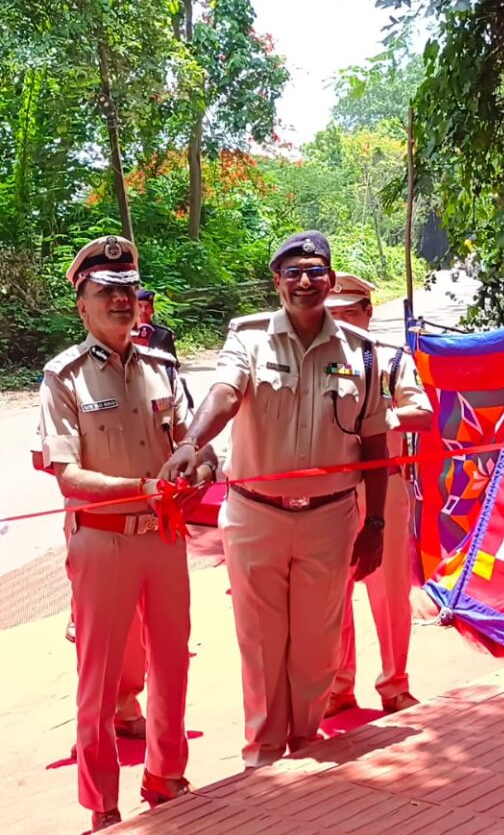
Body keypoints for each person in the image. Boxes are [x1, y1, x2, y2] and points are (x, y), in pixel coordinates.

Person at [159, 230, 392, 768]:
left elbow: (375, 441)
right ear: (277, 282)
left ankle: (305, 742)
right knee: (261, 643)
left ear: (330, 280)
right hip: (256, 515)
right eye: (293, 273)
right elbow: (224, 393)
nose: (305, 282)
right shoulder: (249, 338)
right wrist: (191, 442)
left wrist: (376, 523)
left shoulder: (361, 352)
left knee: (317, 644)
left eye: (315, 272)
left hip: (330, 519)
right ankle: (263, 756)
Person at [37, 235, 211, 832]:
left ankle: (167, 774)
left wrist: (198, 473)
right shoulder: (63, 377)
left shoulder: (163, 368)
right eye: (106, 291)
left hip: (163, 536)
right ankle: (101, 801)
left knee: (173, 661)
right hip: (102, 539)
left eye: (128, 290)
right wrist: (142, 487)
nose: (120, 301)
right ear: (81, 304)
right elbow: (67, 474)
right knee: (100, 677)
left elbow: (194, 445)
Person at [323, 274, 434, 715]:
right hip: (330, 491)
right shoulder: (315, 362)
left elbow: (421, 412)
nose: (339, 324)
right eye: (332, 315)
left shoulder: (390, 359)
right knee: (331, 593)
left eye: (348, 314)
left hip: (383, 486)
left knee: (389, 591)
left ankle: (394, 683)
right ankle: (337, 685)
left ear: (368, 313)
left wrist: (374, 417)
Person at [131, 290, 178, 358]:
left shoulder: (163, 335)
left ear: (153, 310)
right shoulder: (122, 333)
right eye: (139, 306)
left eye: (147, 307)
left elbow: (172, 361)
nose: (143, 311)